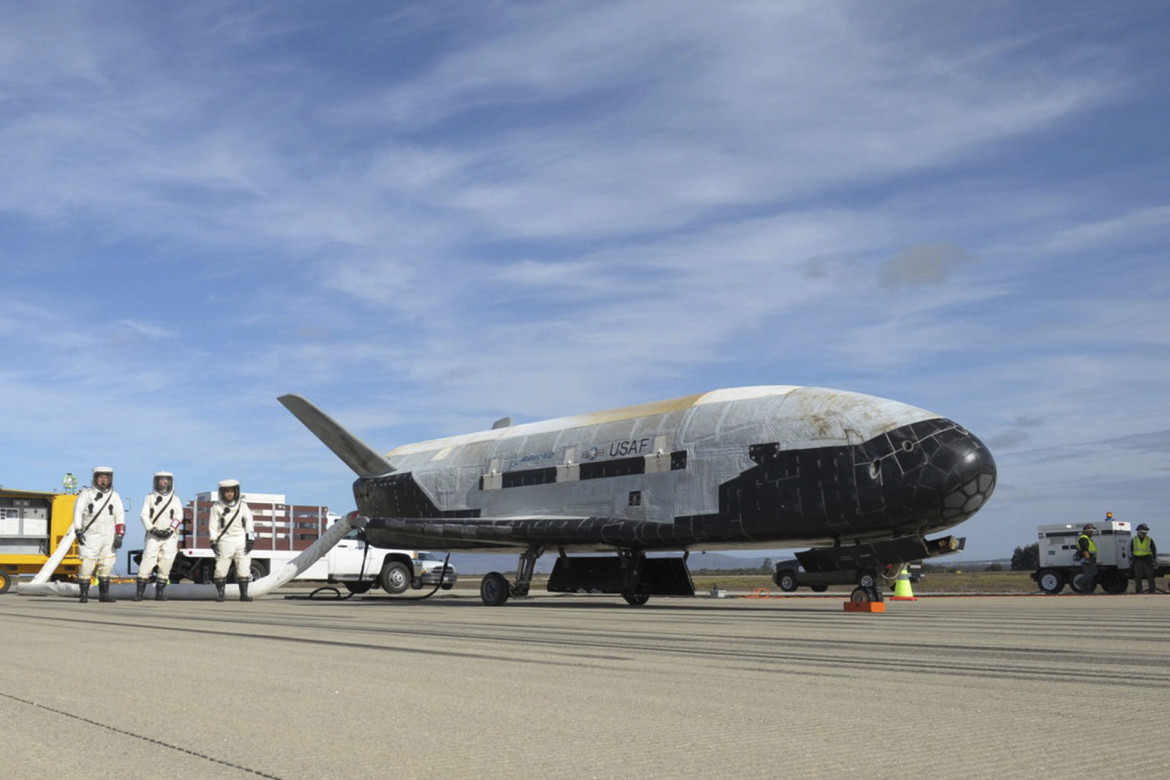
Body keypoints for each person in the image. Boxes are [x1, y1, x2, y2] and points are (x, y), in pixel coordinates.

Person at [72, 466, 125, 603]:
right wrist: (78, 530)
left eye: (106, 478)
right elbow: (78, 512)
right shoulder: (86, 494)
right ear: (95, 478)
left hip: (109, 535)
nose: (103, 480)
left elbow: (120, 516)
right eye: (101, 477)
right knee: (87, 564)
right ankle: (84, 594)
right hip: (91, 535)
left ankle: (104, 595)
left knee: (107, 564)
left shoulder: (114, 496)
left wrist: (119, 535)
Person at [136, 471, 183, 601]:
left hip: (170, 537)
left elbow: (179, 516)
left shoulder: (175, 499)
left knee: (166, 562)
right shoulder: (149, 498)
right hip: (153, 535)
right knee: (147, 561)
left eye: (166, 480)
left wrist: (171, 529)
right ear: (156, 482)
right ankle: (139, 594)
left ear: (170, 482)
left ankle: (160, 594)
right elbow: (143, 515)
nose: (164, 482)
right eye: (161, 480)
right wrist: (152, 529)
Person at [208, 479, 257, 602]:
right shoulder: (216, 507)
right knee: (221, 568)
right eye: (227, 492)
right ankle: (220, 594)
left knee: (244, 567)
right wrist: (213, 541)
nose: (229, 494)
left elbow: (249, 523)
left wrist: (250, 540)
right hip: (225, 541)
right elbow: (213, 526)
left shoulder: (243, 506)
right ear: (222, 493)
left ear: (236, 492)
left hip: (241, 540)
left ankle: (244, 594)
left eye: (232, 491)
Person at [1130, 523, 1157, 594]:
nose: (1144, 534)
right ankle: (1139, 591)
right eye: (1142, 533)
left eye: (1145, 533)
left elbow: (1153, 549)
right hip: (1137, 559)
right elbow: (1130, 550)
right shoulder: (1134, 540)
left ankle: (1152, 590)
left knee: (1150, 576)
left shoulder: (1149, 540)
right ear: (1138, 532)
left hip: (1147, 559)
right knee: (1138, 576)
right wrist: (1131, 559)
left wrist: (1154, 559)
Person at [1075, 523, 1099, 593]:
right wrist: (1087, 559)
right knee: (1092, 572)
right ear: (1086, 531)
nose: (1092, 532)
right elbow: (1085, 550)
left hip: (1090, 558)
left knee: (1090, 575)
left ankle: (1087, 590)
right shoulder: (1083, 538)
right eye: (1091, 531)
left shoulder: (1087, 538)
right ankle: (1079, 582)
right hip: (1087, 559)